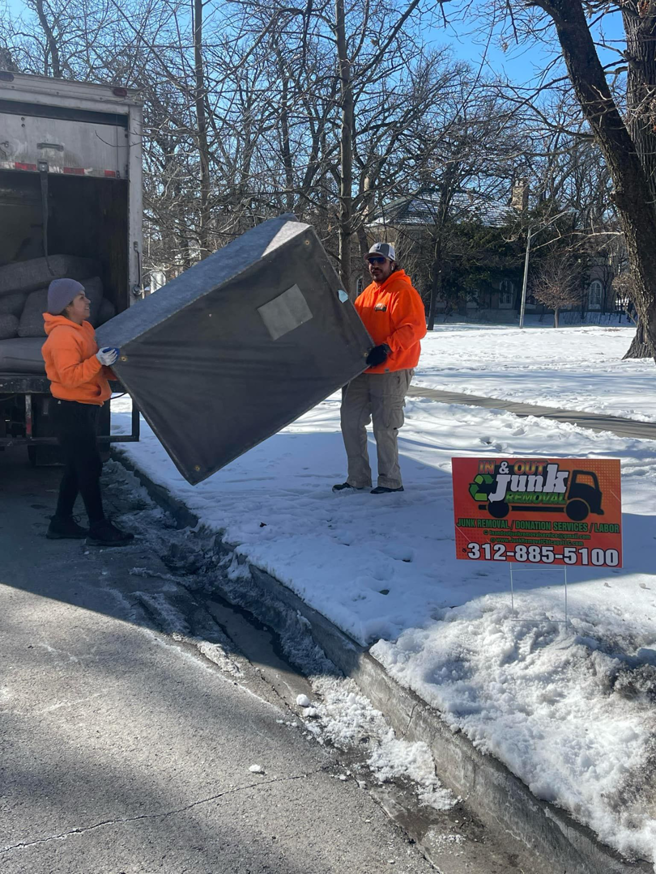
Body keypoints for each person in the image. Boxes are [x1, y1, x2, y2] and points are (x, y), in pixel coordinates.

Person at [41, 278, 134, 546]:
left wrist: (111, 367)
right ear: (67, 305)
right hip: (70, 410)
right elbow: (70, 377)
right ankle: (98, 526)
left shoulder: (83, 329)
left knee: (76, 467)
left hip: (85, 407)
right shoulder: (62, 336)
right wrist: (97, 361)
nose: (88, 301)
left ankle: (61, 522)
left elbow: (92, 368)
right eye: (81, 297)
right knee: (89, 466)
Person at [334, 242, 426, 494]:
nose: (374, 265)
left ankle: (390, 481)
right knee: (350, 422)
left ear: (392, 263)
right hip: (362, 371)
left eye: (380, 260)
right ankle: (357, 479)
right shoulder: (368, 293)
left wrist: (386, 348)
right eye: (371, 261)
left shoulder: (402, 291)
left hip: (391, 370)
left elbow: (415, 328)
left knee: (385, 427)